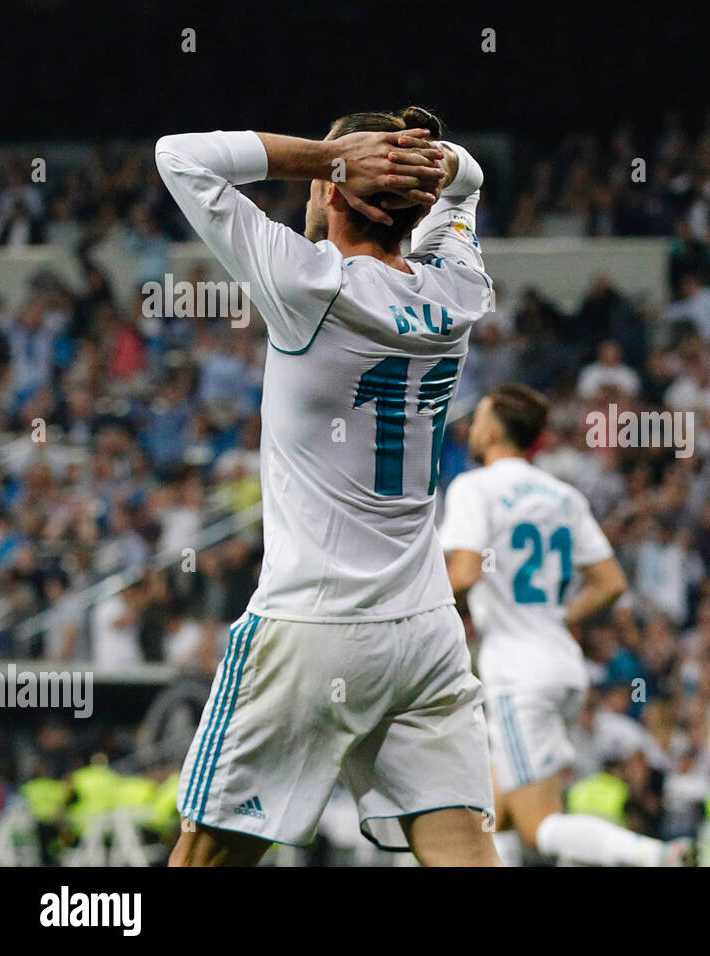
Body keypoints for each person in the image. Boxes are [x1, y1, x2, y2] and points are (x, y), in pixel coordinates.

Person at [157, 106, 499, 866]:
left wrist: (325, 155)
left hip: (314, 626)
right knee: (466, 856)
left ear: (338, 188)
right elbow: (469, 184)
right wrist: (427, 161)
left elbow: (179, 153)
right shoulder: (459, 289)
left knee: (207, 857)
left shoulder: (310, 284)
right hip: (426, 631)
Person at [439, 383, 691, 865]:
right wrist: (557, 618)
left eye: (480, 415)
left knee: (539, 825)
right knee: (494, 811)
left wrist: (414, 616)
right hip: (562, 667)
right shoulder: (562, 495)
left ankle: (658, 856)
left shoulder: (475, 487)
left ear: (494, 430)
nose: (471, 425)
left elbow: (465, 575)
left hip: (516, 673)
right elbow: (612, 582)